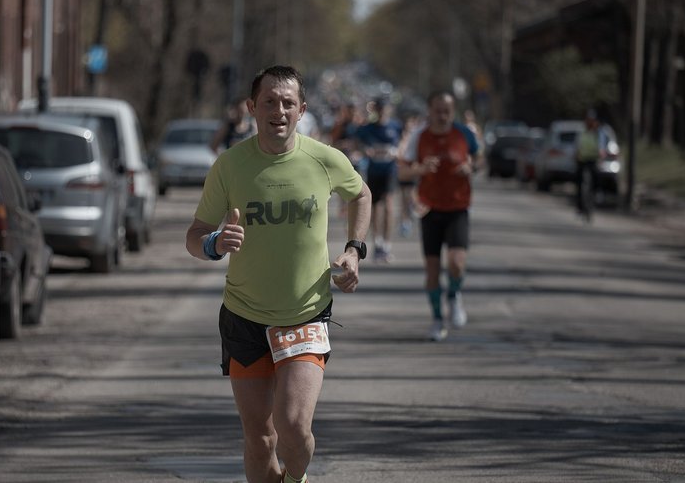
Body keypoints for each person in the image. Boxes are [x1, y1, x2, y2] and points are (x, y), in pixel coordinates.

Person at [186, 65, 372, 483]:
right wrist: (214, 243)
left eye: (288, 102)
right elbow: (194, 235)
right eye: (269, 101)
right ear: (252, 107)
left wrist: (354, 250)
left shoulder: (324, 159)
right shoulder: (230, 165)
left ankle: (295, 479)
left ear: (302, 109)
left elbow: (360, 194)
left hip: (305, 314)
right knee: (260, 440)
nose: (279, 111)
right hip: (244, 316)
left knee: (293, 428)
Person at [399, 92, 479, 341]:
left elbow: (479, 158)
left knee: (457, 263)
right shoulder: (419, 136)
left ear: (453, 111)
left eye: (447, 111)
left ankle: (454, 296)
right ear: (429, 111)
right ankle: (437, 319)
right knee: (432, 271)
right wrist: (421, 169)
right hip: (430, 208)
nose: (442, 115)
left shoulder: (464, 134)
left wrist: (471, 167)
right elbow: (402, 172)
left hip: (458, 207)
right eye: (438, 110)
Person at [355, 97, 404, 262]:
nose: (382, 112)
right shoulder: (367, 128)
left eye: (385, 108)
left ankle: (387, 244)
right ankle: (378, 243)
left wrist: (397, 151)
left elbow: (404, 141)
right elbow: (357, 142)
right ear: (376, 110)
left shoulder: (396, 126)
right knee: (376, 208)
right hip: (374, 171)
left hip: (389, 170)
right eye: (380, 108)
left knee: (389, 205)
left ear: (389, 110)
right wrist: (365, 150)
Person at [575, 109, 604, 217]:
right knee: (579, 181)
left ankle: (597, 194)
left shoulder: (598, 132)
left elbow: (601, 145)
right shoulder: (581, 131)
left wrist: (601, 152)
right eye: (588, 120)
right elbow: (577, 144)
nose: (590, 122)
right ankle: (579, 207)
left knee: (597, 175)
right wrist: (577, 154)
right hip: (582, 159)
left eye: (592, 120)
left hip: (593, 159)